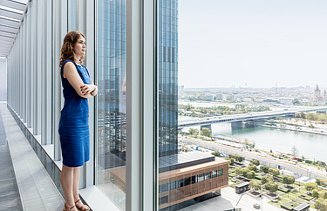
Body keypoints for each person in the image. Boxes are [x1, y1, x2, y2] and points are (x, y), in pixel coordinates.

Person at [59, 31, 97, 211]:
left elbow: (92, 91)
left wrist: (93, 87)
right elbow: (83, 92)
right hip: (71, 121)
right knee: (69, 164)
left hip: (82, 121)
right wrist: (92, 88)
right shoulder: (68, 66)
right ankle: (69, 204)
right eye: (81, 42)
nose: (84, 46)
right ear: (71, 45)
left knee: (78, 162)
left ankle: (76, 199)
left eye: (85, 43)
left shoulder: (83, 68)